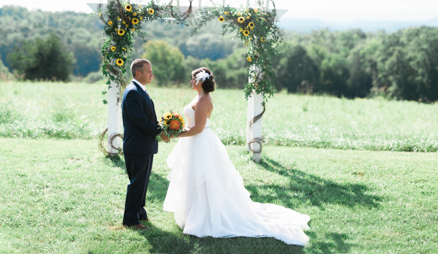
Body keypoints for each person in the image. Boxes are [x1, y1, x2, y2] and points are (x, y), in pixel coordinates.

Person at [162, 67, 310, 246]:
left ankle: (203, 217)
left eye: (193, 78)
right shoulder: (200, 97)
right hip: (195, 143)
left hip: (200, 141)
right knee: (194, 177)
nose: (191, 81)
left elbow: (198, 128)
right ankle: (192, 214)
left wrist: (173, 134)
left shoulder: (203, 100)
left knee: (203, 179)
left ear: (201, 81)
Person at [121, 59, 169, 230]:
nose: (152, 74)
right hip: (137, 146)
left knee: (142, 182)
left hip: (144, 145)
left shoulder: (140, 90)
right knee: (136, 183)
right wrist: (159, 131)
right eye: (149, 71)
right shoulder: (133, 92)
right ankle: (131, 220)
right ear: (138, 73)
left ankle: (140, 212)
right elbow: (139, 119)